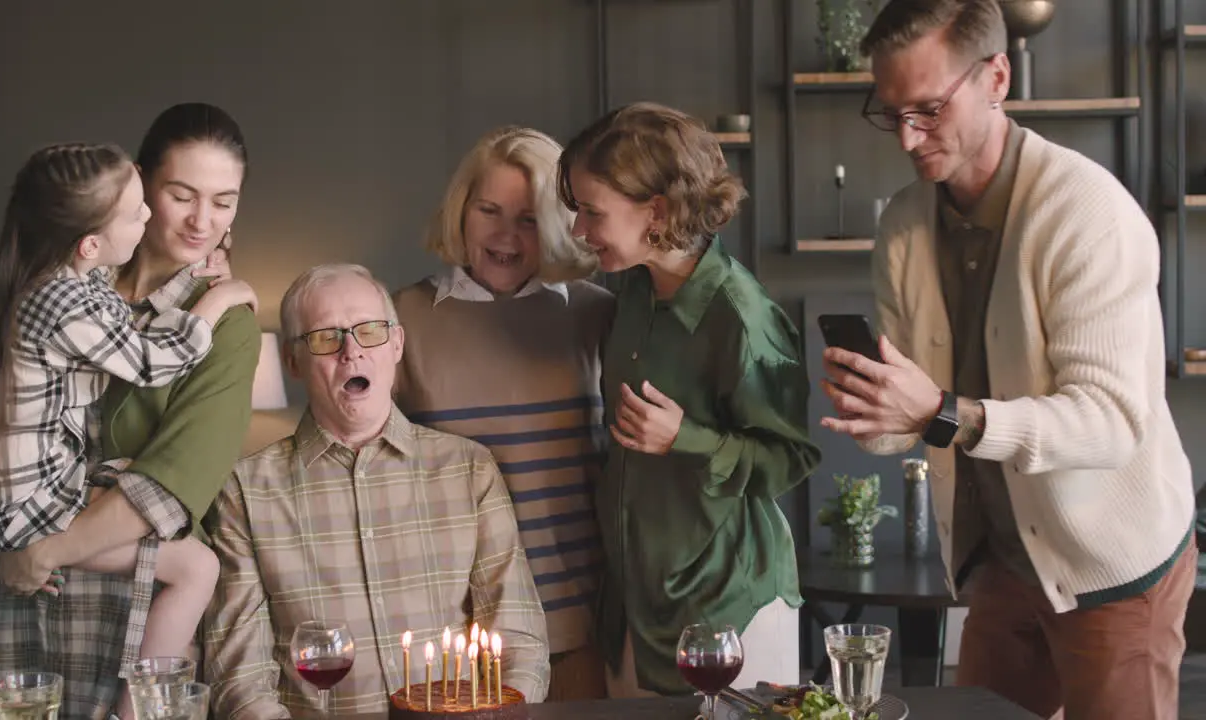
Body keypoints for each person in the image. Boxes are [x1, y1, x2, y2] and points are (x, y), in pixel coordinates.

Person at [818, 2, 1197, 718]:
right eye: (890, 111)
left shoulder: (1087, 212)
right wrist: (879, 414)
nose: (907, 137)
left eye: (928, 109)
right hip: (998, 565)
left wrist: (935, 410)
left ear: (997, 76)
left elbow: (1111, 421)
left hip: (1112, 568)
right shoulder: (903, 224)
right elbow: (918, 421)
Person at [0, 102, 262, 720]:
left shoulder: (227, 326)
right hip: (37, 604)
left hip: (124, 599)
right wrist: (33, 553)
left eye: (225, 201)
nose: (203, 221)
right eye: (181, 195)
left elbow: (172, 481)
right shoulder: (81, 284)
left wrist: (38, 554)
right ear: (137, 187)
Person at [556, 102, 822, 696]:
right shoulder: (630, 288)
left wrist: (686, 438)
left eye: (591, 212)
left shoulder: (743, 318)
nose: (579, 230)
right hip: (632, 604)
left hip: (728, 612)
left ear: (656, 211)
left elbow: (792, 459)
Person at [203, 264, 550, 717]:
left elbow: (519, 640)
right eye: (326, 337)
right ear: (292, 361)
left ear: (397, 345)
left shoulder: (468, 469)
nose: (352, 352)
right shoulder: (244, 491)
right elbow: (240, 677)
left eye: (370, 331)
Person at [392, 126, 613, 701]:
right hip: (452, 633)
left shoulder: (597, 315)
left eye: (529, 218)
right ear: (460, 212)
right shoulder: (401, 320)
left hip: (578, 624)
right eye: (488, 210)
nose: (505, 235)